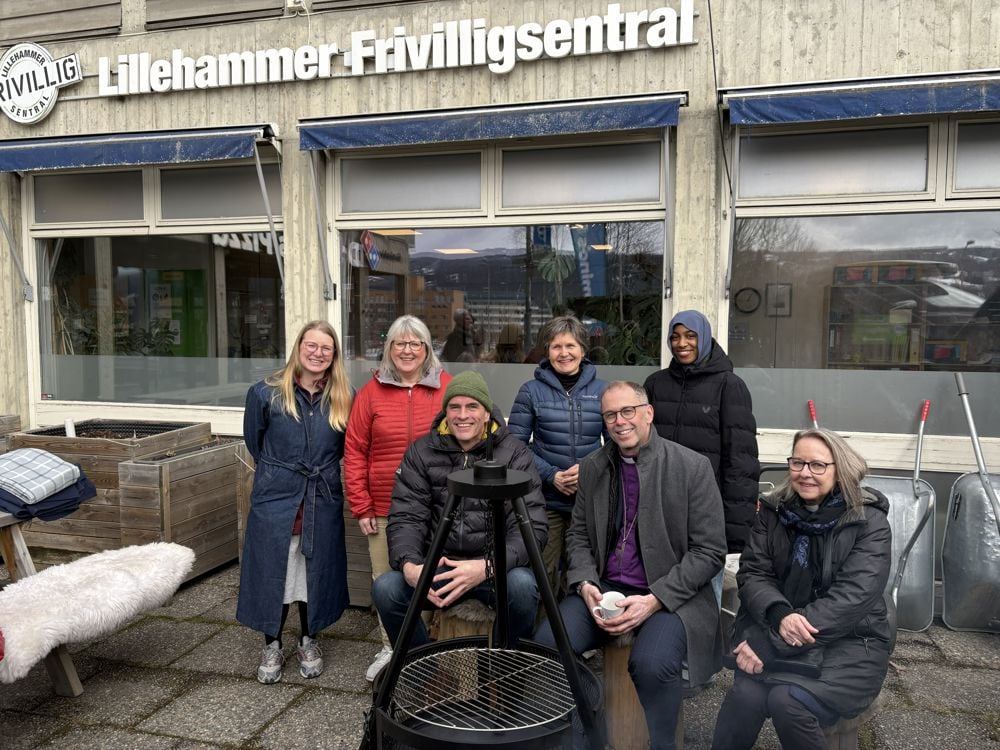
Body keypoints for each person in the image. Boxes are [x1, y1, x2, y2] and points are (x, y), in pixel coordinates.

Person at [536, 381, 726, 749]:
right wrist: (585, 583)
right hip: (605, 588)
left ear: (648, 413)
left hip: (670, 596)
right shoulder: (594, 467)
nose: (620, 422)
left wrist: (655, 599)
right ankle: (588, 733)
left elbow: (709, 552)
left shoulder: (691, 467)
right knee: (549, 644)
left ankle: (662, 744)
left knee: (652, 665)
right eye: (610, 415)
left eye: (628, 411)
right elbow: (578, 535)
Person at [711, 428, 893, 750]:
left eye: (817, 465)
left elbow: (852, 597)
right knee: (746, 695)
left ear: (840, 469)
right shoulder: (773, 511)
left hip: (849, 642)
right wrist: (779, 615)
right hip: (775, 625)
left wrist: (770, 644)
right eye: (798, 463)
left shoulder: (868, 521)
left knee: (788, 700)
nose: (805, 473)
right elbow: (753, 573)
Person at [371, 370, 548, 649]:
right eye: (455, 407)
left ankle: (503, 664)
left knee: (523, 587)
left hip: (493, 570)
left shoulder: (514, 453)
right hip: (440, 567)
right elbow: (407, 517)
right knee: (386, 589)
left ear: (486, 413)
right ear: (446, 412)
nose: (462, 415)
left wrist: (486, 566)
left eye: (472, 406)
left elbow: (533, 528)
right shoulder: (422, 451)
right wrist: (410, 565)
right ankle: (419, 664)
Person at [237, 320, 353, 684]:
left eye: (326, 348)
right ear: (299, 347)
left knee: (312, 570)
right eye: (311, 345)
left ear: (334, 355)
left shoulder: (342, 396)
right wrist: (282, 475)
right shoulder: (266, 393)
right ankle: (271, 643)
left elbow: (346, 446)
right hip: (277, 495)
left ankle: (308, 638)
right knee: (274, 567)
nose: (318, 353)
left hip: (322, 495)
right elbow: (255, 442)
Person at [344, 315, 452, 681]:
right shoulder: (370, 393)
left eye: (415, 343)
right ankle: (392, 648)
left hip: (436, 506)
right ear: (389, 348)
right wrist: (361, 504)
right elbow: (355, 450)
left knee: (431, 577)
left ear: (426, 349)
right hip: (384, 505)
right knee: (387, 581)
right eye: (399, 343)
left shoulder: (445, 387)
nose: (407, 350)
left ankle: (426, 649)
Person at [644, 309, 759, 554]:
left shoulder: (729, 386)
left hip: (706, 510)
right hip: (659, 507)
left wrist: (736, 531)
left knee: (701, 575)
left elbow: (741, 462)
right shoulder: (655, 384)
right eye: (675, 337)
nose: (681, 343)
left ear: (704, 337)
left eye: (690, 336)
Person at [508, 315, 606, 599]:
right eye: (556, 346)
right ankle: (543, 628)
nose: (564, 353)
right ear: (547, 351)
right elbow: (514, 446)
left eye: (570, 345)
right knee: (543, 575)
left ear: (583, 349)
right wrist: (552, 475)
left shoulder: (603, 391)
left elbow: (617, 444)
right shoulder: (530, 391)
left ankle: (578, 625)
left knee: (585, 574)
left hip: (589, 501)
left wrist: (587, 470)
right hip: (545, 501)